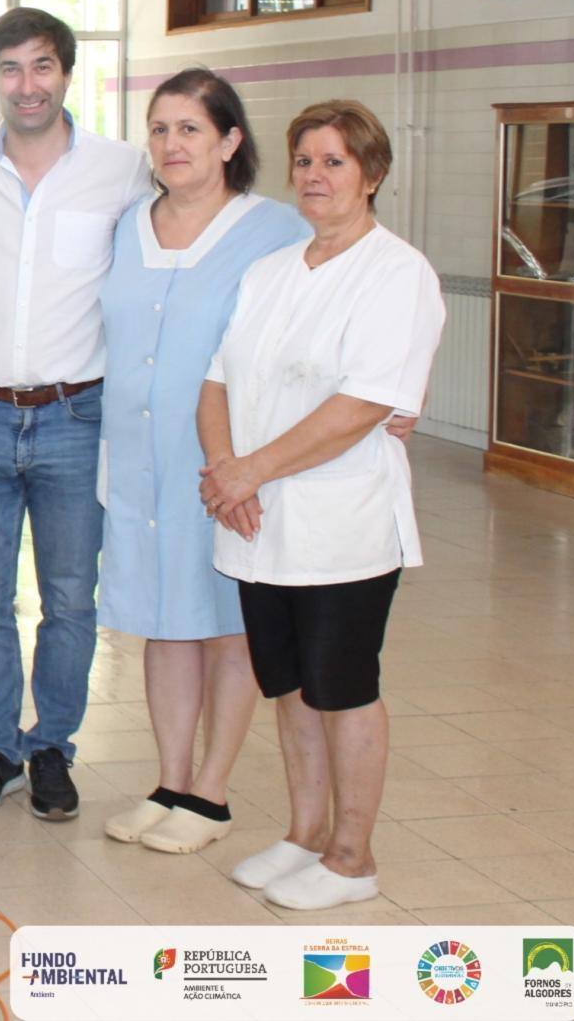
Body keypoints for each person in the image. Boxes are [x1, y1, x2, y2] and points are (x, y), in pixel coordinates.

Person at [200, 99, 444, 911]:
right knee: (291, 686)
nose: (315, 175)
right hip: (261, 523)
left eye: (335, 161)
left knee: (343, 687)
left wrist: (246, 473)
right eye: (305, 159)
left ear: (372, 174)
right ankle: (305, 833)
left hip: (343, 527)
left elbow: (362, 406)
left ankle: (352, 855)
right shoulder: (270, 271)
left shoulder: (396, 272)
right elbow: (219, 379)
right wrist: (225, 467)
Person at [0, 6, 149, 822]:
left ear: (67, 74)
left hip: (75, 417)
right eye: (12, 69)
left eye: (43, 66)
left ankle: (52, 743)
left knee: (69, 598)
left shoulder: (123, 170)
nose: (29, 85)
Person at [96, 70, 308, 854]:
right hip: (136, 461)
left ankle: (211, 794)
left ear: (229, 140)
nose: (172, 144)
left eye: (190, 129)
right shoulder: (129, 225)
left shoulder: (274, 230)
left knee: (225, 624)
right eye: (159, 129)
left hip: (223, 463)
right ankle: (170, 779)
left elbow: (320, 327)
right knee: (162, 620)